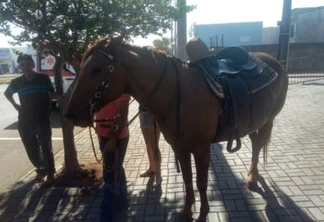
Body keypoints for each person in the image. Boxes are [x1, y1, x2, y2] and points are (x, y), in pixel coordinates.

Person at [4, 54, 58, 187]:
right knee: (31, 147)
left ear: (33, 65)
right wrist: (15, 105)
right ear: (19, 67)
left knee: (46, 147)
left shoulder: (43, 79)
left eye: (28, 65)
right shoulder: (17, 82)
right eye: (22, 65)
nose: (25, 67)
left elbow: (52, 94)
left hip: (42, 118)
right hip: (25, 119)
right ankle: (41, 169)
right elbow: (7, 93)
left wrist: (65, 98)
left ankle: (51, 174)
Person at [95, 93, 130, 221]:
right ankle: (123, 201)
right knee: (117, 167)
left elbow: (122, 116)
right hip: (104, 134)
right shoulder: (105, 87)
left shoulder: (121, 91)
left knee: (109, 173)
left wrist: (112, 140)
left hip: (115, 137)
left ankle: (107, 212)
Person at [139, 106, 162, 187]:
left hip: (153, 114)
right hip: (142, 112)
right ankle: (152, 168)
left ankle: (158, 176)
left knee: (154, 146)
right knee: (148, 143)